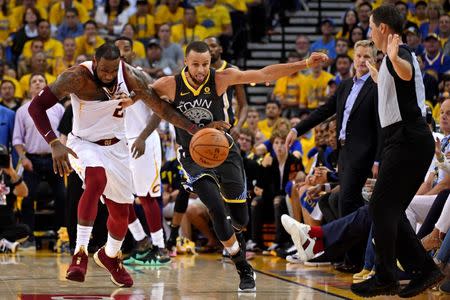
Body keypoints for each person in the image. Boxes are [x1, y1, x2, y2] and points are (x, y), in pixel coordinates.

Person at [27, 42, 214, 287]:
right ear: (94, 62)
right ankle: (80, 252)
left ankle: (110, 255)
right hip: (84, 143)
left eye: (112, 70)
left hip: (117, 146)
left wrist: (193, 128)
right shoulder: (75, 77)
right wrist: (53, 142)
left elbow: (162, 109)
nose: (107, 75)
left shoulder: (130, 76)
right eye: (103, 69)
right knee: (96, 179)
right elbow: (36, 107)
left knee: (121, 212)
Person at [149, 40, 328, 292]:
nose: (201, 70)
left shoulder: (221, 78)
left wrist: (305, 63)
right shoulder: (170, 84)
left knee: (241, 219)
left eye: (205, 64)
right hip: (192, 155)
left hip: (225, 150)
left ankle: (235, 238)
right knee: (215, 207)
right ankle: (243, 265)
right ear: (185, 63)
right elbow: (146, 96)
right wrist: (126, 104)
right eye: (196, 64)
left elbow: (265, 73)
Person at [351, 5, 444, 297]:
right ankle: (423, 270)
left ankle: (387, 276)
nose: (368, 30)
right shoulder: (391, 58)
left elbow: (403, 71)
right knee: (388, 209)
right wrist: (380, 76)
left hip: (407, 139)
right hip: (405, 139)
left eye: (369, 25)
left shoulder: (399, 52)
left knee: (381, 206)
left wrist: (391, 60)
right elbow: (398, 84)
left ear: (381, 28)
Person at [287, 40, 381, 220]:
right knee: (343, 203)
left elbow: (380, 125)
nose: (362, 60)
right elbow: (323, 111)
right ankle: (349, 246)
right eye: (359, 56)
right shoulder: (345, 85)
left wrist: (377, 159)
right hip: (343, 152)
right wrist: (296, 130)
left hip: (363, 154)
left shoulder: (377, 86)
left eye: (366, 56)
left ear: (374, 60)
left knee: (346, 202)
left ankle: (349, 246)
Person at [114, 36, 170, 263]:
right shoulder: (107, 81)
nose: (120, 53)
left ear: (132, 54)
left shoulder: (140, 75)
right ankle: (142, 241)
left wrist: (143, 137)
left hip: (143, 141)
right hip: (122, 143)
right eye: (116, 50)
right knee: (119, 196)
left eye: (125, 49)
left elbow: (162, 106)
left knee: (147, 197)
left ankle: (160, 248)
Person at [0, 144, 30, 252]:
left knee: (25, 230)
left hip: (8, 225)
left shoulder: (11, 177)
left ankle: (3, 243)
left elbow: (24, 193)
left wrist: (12, 172)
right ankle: (4, 243)